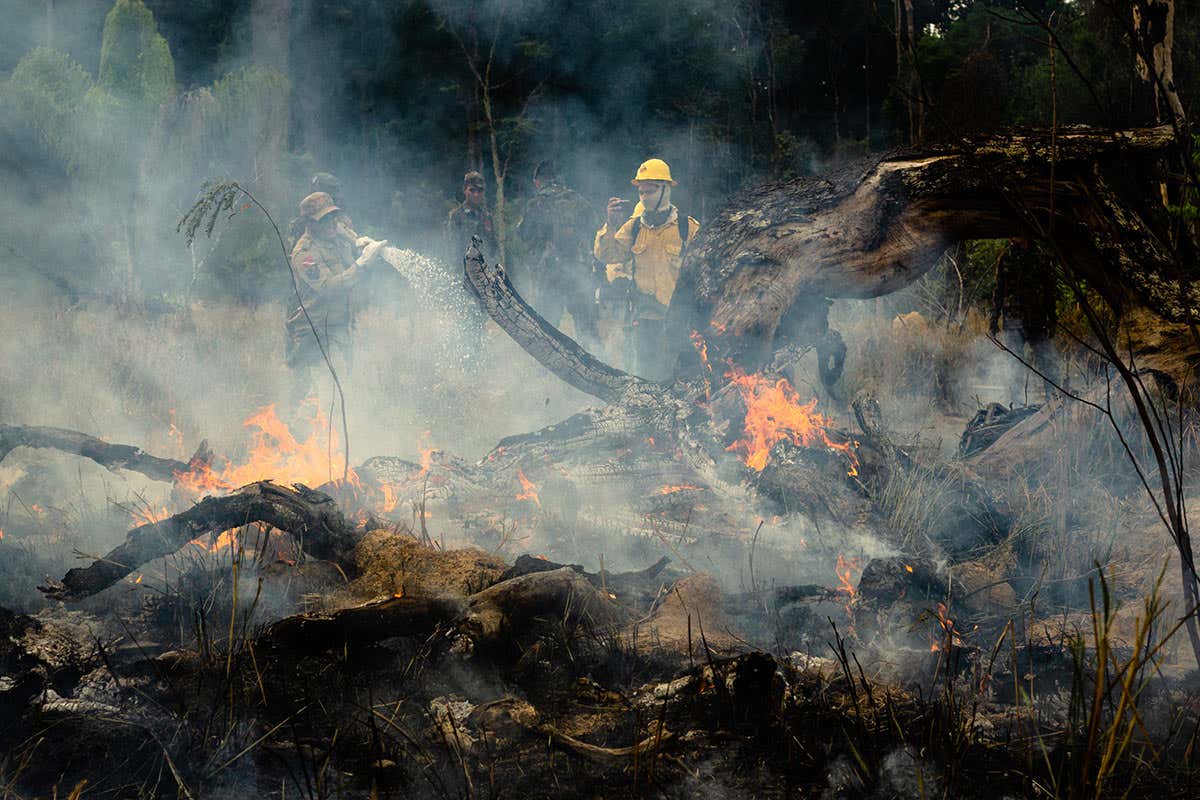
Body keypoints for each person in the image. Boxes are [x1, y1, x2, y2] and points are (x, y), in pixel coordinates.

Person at [594, 158, 699, 380]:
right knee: (648, 378)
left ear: (666, 189)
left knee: (685, 379)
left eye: (649, 191)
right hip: (646, 321)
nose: (644, 197)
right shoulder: (632, 228)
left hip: (681, 321)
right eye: (641, 192)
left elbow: (705, 271)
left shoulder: (686, 228)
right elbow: (607, 255)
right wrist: (611, 224)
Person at [286, 191, 386, 404]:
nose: (332, 222)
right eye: (324, 219)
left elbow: (352, 238)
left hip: (342, 326)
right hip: (317, 332)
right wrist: (361, 265)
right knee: (329, 393)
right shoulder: (305, 253)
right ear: (310, 223)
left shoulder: (337, 231)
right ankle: (325, 435)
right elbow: (329, 288)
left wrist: (362, 244)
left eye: (333, 215)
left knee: (355, 383)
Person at [516, 160, 601, 348]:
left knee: (546, 327)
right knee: (586, 326)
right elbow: (594, 227)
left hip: (550, 273)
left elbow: (523, 234)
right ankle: (596, 365)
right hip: (578, 271)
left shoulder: (536, 203)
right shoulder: (578, 200)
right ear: (556, 178)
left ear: (537, 181)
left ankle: (544, 372)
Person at [989, 238, 1058, 403]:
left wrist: (1052, 318)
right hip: (1012, 321)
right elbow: (998, 290)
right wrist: (994, 319)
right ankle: (1015, 405)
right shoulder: (1006, 257)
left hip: (1037, 320)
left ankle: (1053, 401)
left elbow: (1049, 290)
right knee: (1014, 366)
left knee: (1047, 361)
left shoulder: (1041, 257)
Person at [444, 170, 498, 268]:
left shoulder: (486, 216)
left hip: (484, 270)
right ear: (465, 190)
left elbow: (493, 249)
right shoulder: (456, 216)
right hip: (463, 270)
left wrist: (489, 232)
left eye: (480, 191)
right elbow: (452, 248)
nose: (476, 194)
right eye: (472, 190)